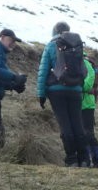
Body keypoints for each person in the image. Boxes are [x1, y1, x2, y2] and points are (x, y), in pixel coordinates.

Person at [37, 21, 90, 167]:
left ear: (54, 31)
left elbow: (43, 71)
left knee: (65, 125)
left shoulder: (51, 45)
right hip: (75, 91)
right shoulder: (77, 45)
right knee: (78, 124)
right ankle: (84, 159)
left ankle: (71, 159)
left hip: (56, 91)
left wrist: (41, 94)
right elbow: (83, 70)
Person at [81, 55, 98, 168]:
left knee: (87, 133)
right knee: (88, 133)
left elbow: (88, 83)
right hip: (88, 103)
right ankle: (95, 160)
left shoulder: (84, 62)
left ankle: (94, 161)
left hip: (85, 103)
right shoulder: (87, 62)